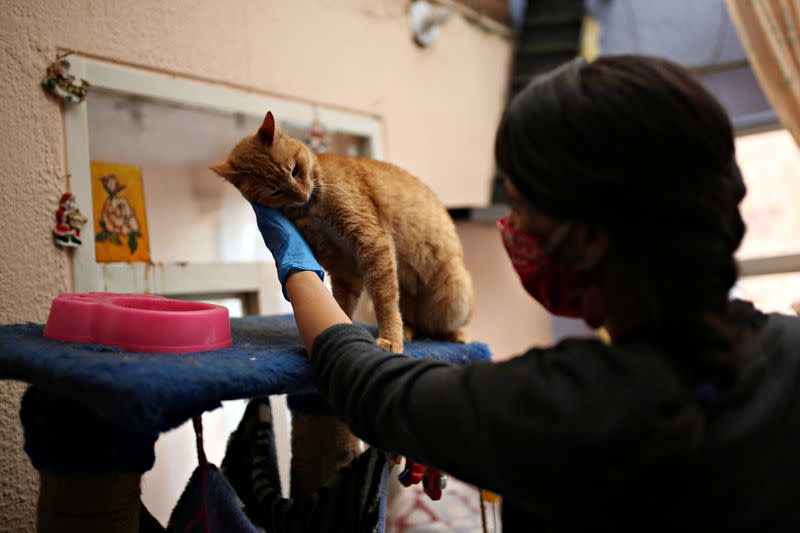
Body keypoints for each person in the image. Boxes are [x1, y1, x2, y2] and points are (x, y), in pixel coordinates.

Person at [250, 55, 800, 532]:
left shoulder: (567, 410)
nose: (511, 226)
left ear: (588, 238)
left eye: (520, 202)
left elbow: (365, 385)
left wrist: (298, 267)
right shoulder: (788, 348)